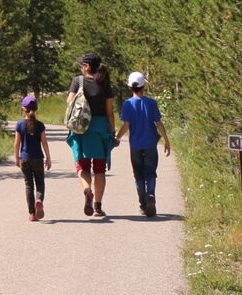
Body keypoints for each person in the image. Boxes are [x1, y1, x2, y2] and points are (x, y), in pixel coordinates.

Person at [66, 52, 119, 217]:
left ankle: (87, 190)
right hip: (101, 128)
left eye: (82, 65)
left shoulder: (78, 81)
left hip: (82, 129)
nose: (81, 67)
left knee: (82, 166)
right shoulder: (105, 84)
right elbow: (110, 112)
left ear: (87, 67)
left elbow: (70, 104)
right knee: (100, 169)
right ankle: (97, 206)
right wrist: (112, 131)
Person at [116, 70, 172, 217]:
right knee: (151, 173)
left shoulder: (127, 104)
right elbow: (158, 123)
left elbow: (126, 125)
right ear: (144, 86)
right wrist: (166, 140)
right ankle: (151, 195)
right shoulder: (151, 103)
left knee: (138, 175)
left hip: (135, 145)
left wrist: (117, 138)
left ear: (130, 87)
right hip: (150, 145)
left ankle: (143, 204)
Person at [14, 95, 51, 221]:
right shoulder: (40, 125)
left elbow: (17, 143)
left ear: (23, 109)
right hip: (38, 159)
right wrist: (48, 158)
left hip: (25, 159)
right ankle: (39, 199)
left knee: (29, 185)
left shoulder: (20, 125)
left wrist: (17, 158)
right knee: (40, 183)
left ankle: (32, 213)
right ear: (36, 109)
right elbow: (44, 142)